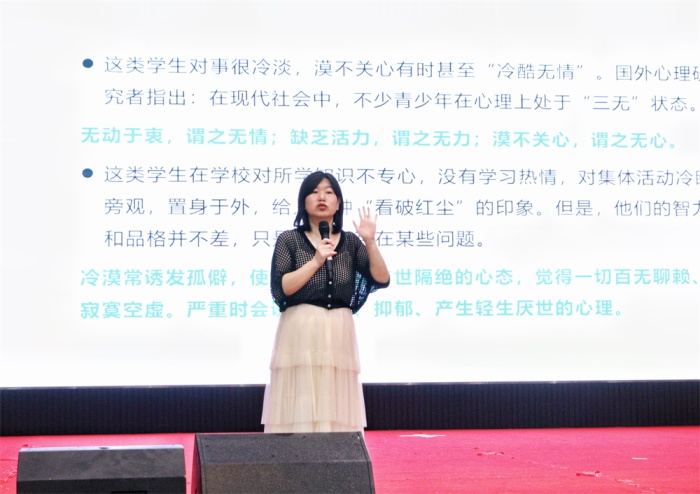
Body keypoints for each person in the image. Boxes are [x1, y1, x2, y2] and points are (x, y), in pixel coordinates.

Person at [261, 171, 390, 433]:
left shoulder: (351, 242)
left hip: (339, 328)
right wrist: (316, 261)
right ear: (303, 201)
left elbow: (381, 278)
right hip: (301, 327)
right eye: (314, 191)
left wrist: (370, 242)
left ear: (338, 203)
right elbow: (282, 288)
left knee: (335, 404)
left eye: (329, 192)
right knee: (300, 402)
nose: (322, 197)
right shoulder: (289, 240)